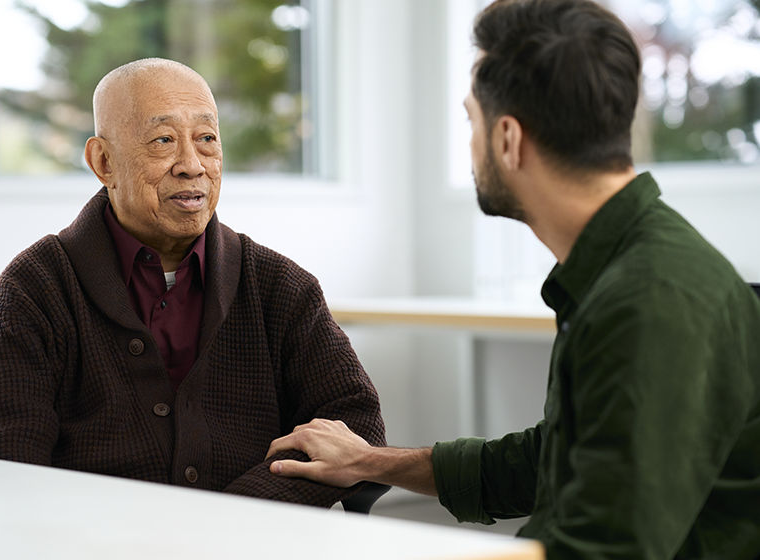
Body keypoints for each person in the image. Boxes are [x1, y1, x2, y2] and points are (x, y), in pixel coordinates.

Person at [266, 0, 760, 556]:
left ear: (508, 139)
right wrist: (372, 461)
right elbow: (551, 460)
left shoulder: (651, 303)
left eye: (470, 121)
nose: (471, 145)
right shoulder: (625, 268)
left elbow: (600, 550)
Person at [0, 58, 385, 508]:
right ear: (104, 162)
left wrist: (232, 522)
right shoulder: (37, 287)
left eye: (206, 140)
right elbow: (4, 461)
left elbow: (355, 428)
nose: (192, 165)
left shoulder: (280, 287)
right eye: (163, 140)